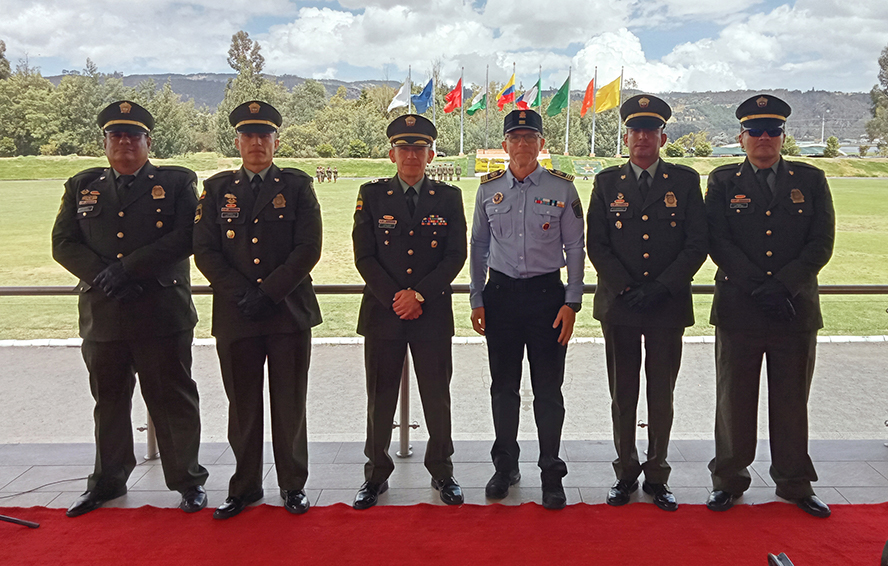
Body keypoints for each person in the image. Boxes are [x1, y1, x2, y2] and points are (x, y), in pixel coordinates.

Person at [52, 100, 208, 517]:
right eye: (116, 135)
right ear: (104, 141)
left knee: (172, 400)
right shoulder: (82, 185)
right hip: (104, 312)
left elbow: (186, 236)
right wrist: (105, 275)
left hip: (160, 311)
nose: (124, 142)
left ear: (147, 142)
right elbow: (63, 243)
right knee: (109, 401)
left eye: (133, 135)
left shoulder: (175, 182)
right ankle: (107, 480)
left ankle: (188, 480)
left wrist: (128, 269)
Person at [704, 94, 835, 518]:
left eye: (772, 131)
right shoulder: (723, 181)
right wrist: (759, 284)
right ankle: (728, 479)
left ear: (783, 137)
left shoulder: (811, 180)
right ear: (741, 137)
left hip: (793, 309)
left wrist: (784, 286)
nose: (764, 138)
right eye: (755, 131)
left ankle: (794, 482)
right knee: (733, 400)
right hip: (740, 307)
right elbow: (718, 240)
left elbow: (821, 242)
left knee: (792, 399)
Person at [193, 100, 323, 519]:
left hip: (286, 312)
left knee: (289, 405)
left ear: (276, 142)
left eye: (263, 136)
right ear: (237, 142)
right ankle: (245, 486)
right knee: (243, 405)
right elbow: (205, 251)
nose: (256, 143)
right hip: (237, 314)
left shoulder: (298, 186)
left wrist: (267, 292)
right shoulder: (216, 190)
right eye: (248, 136)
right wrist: (241, 292)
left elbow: (308, 248)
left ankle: (292, 486)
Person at [586, 94, 708, 512]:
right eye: (636, 130)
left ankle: (657, 474)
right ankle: (625, 472)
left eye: (650, 130)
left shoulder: (685, 181)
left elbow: (697, 242)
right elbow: (597, 244)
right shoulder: (606, 183)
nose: (642, 137)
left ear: (663, 136)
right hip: (620, 305)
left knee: (661, 393)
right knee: (623, 393)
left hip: (666, 303)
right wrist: (624, 286)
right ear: (626, 136)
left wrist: (662, 286)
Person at [469, 109, 585, 510]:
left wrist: (572, 301)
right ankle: (505, 468)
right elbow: (478, 247)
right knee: (503, 389)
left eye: (529, 137)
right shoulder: (487, 190)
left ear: (541, 144)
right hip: (500, 296)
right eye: (515, 138)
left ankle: (551, 473)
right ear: (504, 145)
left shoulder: (562, 189)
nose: (522, 144)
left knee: (548, 390)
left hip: (546, 299)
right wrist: (476, 297)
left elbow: (574, 249)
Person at [351, 114, 467, 509]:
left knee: (437, 397)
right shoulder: (372, 194)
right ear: (392, 154)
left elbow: (456, 255)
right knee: (379, 398)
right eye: (404, 148)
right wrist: (396, 297)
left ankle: (442, 472)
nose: (411, 156)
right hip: (384, 313)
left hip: (431, 313)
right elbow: (364, 256)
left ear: (431, 154)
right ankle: (375, 476)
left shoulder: (448, 197)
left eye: (419, 149)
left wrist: (418, 295)